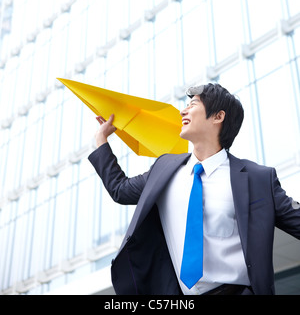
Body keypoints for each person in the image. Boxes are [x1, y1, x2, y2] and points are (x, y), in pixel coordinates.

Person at [88, 83, 300, 295]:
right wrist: (101, 140)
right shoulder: (165, 169)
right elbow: (120, 190)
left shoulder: (257, 179)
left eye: (193, 104)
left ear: (218, 116)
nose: (183, 111)